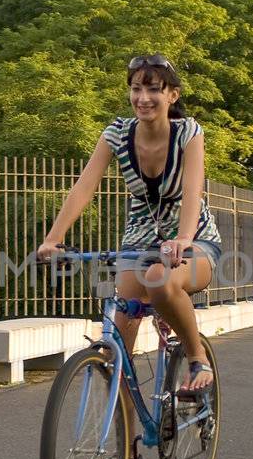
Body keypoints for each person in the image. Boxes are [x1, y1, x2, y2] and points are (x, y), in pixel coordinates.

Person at [37, 53, 222, 393]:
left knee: (158, 278)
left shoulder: (188, 133)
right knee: (119, 346)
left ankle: (197, 356)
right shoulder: (117, 135)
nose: (143, 98)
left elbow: (193, 191)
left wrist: (182, 239)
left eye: (153, 89)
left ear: (172, 96)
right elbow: (84, 187)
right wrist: (53, 238)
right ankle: (128, 445)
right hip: (139, 241)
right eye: (136, 88)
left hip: (193, 238)